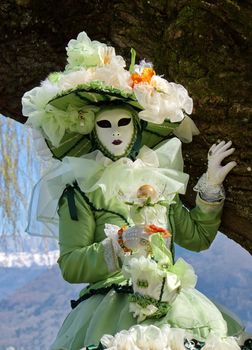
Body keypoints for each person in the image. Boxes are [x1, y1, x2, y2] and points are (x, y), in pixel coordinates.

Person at [22, 32, 248, 350]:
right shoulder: (83, 192)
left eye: (124, 123)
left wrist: (210, 185)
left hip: (174, 301)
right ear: (92, 130)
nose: (115, 132)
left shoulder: (158, 184)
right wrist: (118, 245)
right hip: (110, 310)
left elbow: (196, 236)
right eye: (105, 124)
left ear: (139, 128)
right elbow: (71, 265)